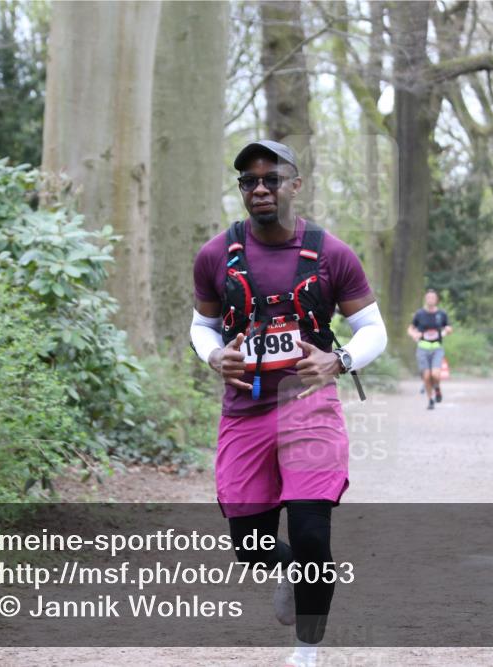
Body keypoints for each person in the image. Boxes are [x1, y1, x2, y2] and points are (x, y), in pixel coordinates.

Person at [189, 140, 387, 667]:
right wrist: (213, 356)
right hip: (244, 410)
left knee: (310, 533)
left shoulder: (331, 254)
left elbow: (373, 329)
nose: (259, 189)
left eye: (270, 179)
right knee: (251, 547)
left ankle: (306, 652)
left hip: (309, 407)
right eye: (248, 181)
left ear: (294, 185)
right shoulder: (216, 255)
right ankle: (288, 568)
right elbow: (202, 325)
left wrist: (338, 361)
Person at [407, 289, 453, 410]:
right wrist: (413, 334)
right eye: (428, 297)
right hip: (423, 348)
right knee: (427, 376)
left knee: (435, 375)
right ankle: (430, 400)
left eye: (433, 297)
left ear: (436, 299)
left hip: (437, 348)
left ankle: (437, 387)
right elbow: (410, 328)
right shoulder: (419, 314)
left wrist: (447, 330)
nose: (430, 299)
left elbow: (448, 327)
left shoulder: (441, 314)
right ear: (425, 299)